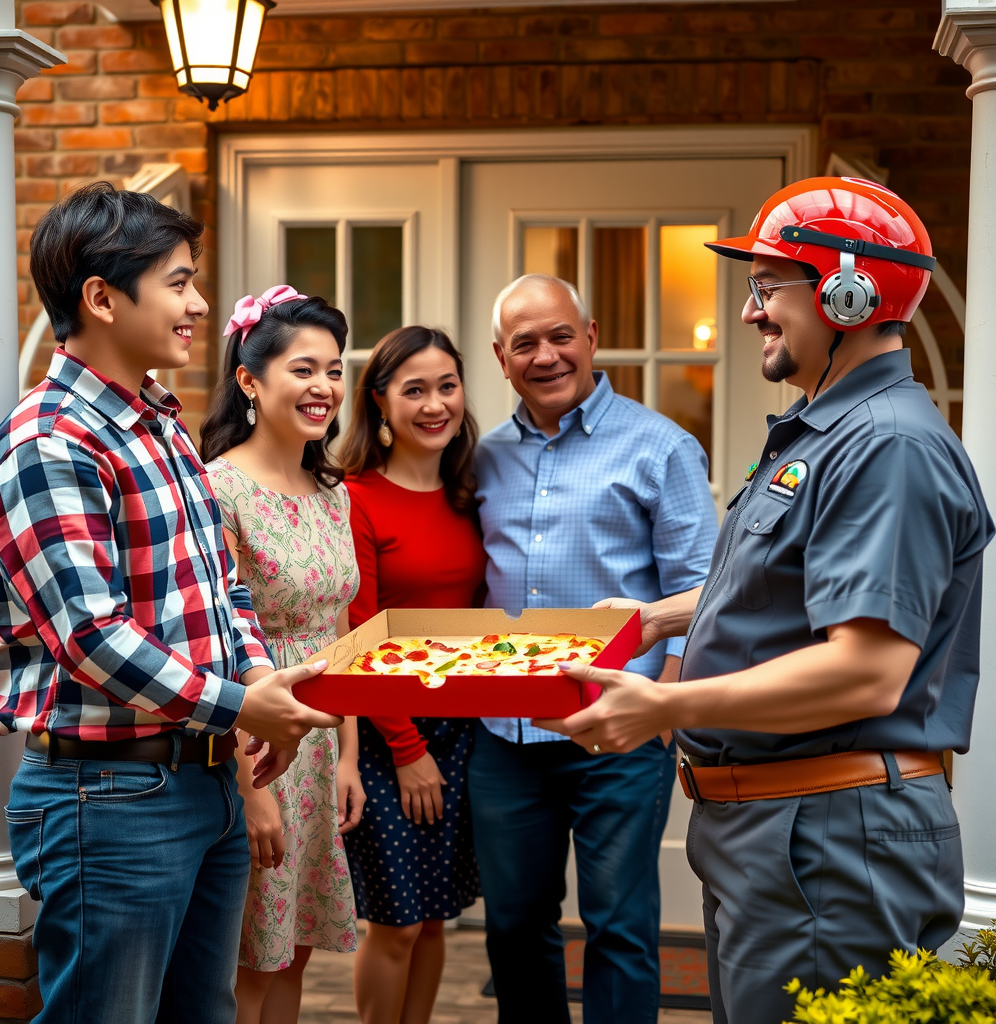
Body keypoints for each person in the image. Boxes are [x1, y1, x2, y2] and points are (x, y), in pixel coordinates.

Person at [539, 178, 994, 1024]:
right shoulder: (827, 431)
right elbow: (782, 580)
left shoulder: (887, 447)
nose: (751, 312)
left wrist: (663, 705)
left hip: (824, 839)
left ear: (846, 292)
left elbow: (864, 674)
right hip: (783, 836)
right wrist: (657, 617)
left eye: (767, 287)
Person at [0, 182, 337, 1024]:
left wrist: (248, 693)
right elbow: (93, 637)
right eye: (178, 282)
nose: (200, 303)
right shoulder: (46, 442)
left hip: (204, 783)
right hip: (109, 800)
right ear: (101, 298)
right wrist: (246, 701)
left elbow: (221, 586)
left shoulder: (162, 427)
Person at [472, 274, 719, 1024]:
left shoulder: (661, 447)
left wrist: (665, 710)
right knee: (514, 927)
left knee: (618, 928)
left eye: (559, 336)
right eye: (525, 344)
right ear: (500, 357)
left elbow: (703, 592)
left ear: (591, 336)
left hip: (619, 728)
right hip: (506, 736)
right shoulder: (482, 458)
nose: (545, 356)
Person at [199, 287, 365, 1024]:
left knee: (294, 952)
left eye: (334, 369)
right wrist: (252, 785)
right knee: (249, 966)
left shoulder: (333, 492)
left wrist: (350, 756)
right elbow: (217, 646)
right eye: (303, 369)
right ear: (249, 379)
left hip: (323, 753)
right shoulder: (218, 488)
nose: (324, 387)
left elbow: (338, 633)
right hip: (257, 751)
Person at [336, 326, 485, 1024]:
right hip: (388, 730)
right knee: (394, 921)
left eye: (447, 386)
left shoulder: (472, 491)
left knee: (434, 920)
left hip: (466, 732)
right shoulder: (357, 497)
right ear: (381, 401)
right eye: (414, 389)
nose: (435, 404)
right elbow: (358, 636)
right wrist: (405, 748)